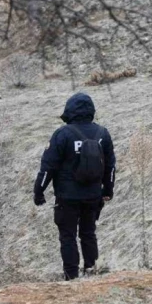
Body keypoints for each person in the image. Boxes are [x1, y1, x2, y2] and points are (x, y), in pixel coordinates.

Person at [34, 93, 116, 280]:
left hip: (67, 197)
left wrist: (39, 191)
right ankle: (91, 270)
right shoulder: (102, 134)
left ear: (69, 110)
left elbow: (48, 167)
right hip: (93, 196)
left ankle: (71, 277)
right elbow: (110, 166)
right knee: (88, 233)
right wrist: (108, 190)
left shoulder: (62, 134)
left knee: (68, 236)